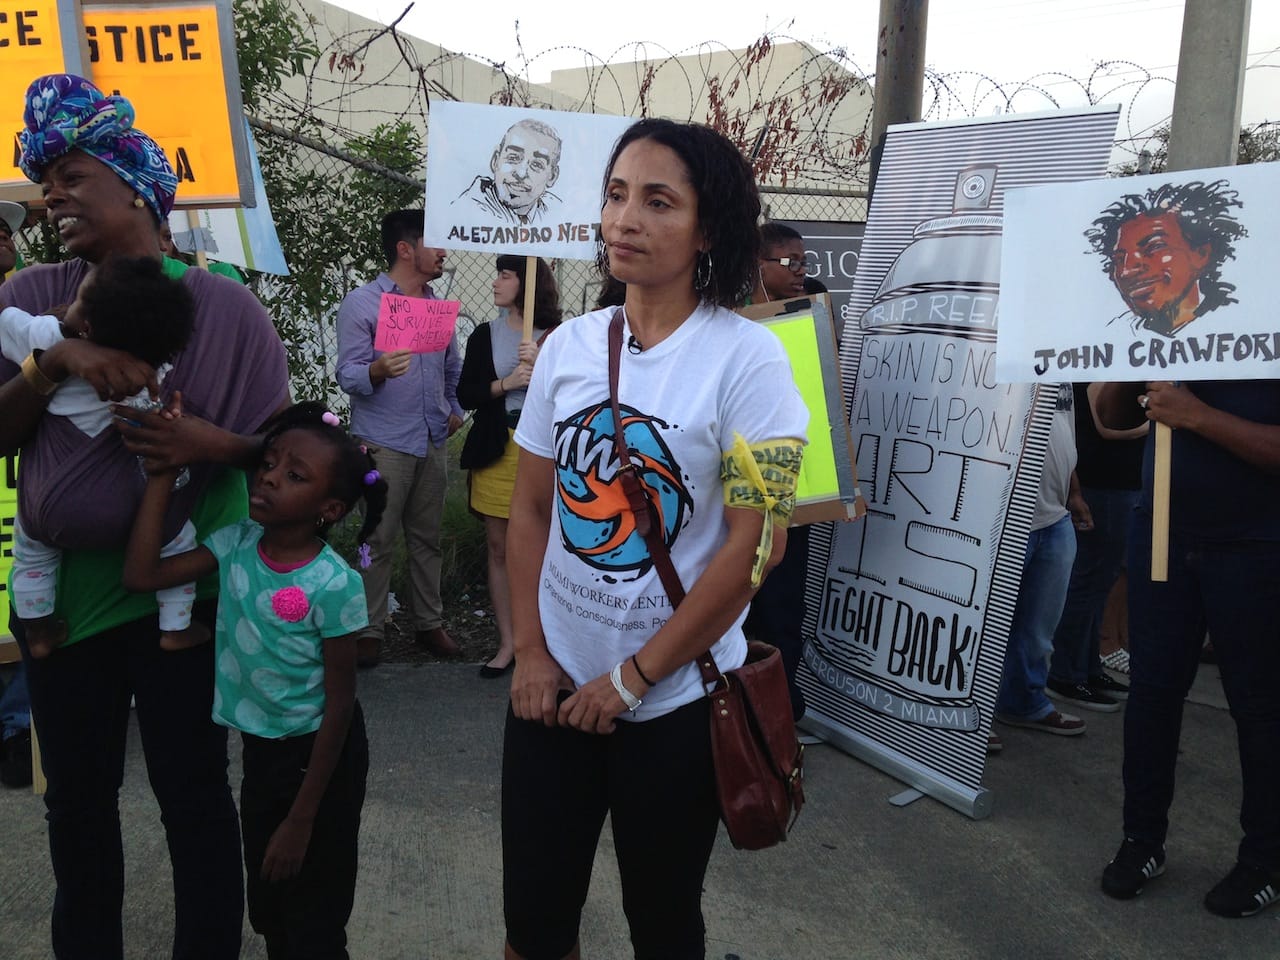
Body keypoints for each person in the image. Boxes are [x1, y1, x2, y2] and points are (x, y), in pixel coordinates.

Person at [503, 118, 808, 960]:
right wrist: (530, 651)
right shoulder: (568, 348)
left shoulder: (751, 361)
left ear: (708, 231)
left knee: (664, 925)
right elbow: (531, 511)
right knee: (533, 925)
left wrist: (634, 679)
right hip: (552, 691)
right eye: (616, 195)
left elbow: (758, 548)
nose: (625, 219)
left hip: (673, 703)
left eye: (658, 201)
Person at [0, 73, 289, 959]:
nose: (52, 197)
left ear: (134, 186)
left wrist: (205, 442)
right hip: (64, 611)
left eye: (71, 178)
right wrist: (55, 362)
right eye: (45, 183)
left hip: (179, 606)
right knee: (75, 805)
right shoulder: (32, 295)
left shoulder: (227, 312)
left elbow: (285, 459)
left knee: (192, 796)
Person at [124, 401, 384, 958]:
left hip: (321, 761)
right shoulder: (237, 544)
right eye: (269, 464)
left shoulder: (333, 584)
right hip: (263, 755)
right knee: (271, 908)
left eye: (295, 475)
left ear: (330, 508)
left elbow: (340, 705)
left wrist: (302, 819)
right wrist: (162, 476)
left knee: (315, 920)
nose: (268, 477)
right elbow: (142, 574)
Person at [1096, 377, 1280, 918]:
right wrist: (1137, 364)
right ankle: (1141, 840)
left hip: (1256, 545)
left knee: (1259, 708)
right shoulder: (1169, 338)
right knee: (1152, 695)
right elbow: (1111, 416)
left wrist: (1197, 415)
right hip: (1161, 535)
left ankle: (1265, 860)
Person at [1, 256, 206, 657]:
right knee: (178, 538)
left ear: (87, 327)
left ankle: (39, 631)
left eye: (78, 301)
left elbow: (6, 322)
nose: (68, 305)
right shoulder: (154, 361)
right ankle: (175, 628)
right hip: (131, 509)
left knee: (31, 550)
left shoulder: (50, 338)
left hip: (53, 503)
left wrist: (52, 322)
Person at [335, 209, 464, 666]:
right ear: (405, 249)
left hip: (431, 440)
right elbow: (347, 374)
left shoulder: (436, 306)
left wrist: (455, 409)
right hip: (383, 443)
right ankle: (368, 628)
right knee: (374, 540)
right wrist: (376, 370)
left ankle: (429, 624)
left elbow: (452, 368)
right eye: (435, 243)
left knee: (427, 538)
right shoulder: (362, 304)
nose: (444, 251)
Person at [458, 255, 560, 678]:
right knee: (499, 548)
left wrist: (543, 366)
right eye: (496, 274)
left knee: (546, 548)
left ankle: (546, 641)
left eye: (504, 275)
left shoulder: (560, 335)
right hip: (497, 450)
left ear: (528, 282)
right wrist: (507, 383)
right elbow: (466, 394)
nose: (495, 282)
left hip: (543, 454)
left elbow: (578, 395)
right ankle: (508, 643)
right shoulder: (485, 334)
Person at [743, 221, 817, 722]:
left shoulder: (811, 316)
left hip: (798, 492)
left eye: (804, 262)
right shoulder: (728, 322)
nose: (800, 272)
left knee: (785, 606)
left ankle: (782, 713)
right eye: (789, 262)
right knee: (736, 602)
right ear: (759, 265)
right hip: (738, 492)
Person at [993, 383, 1092, 741]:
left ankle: (1022, 702)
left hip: (1053, 514)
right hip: (998, 516)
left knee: (1038, 630)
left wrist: (1073, 491)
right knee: (986, 626)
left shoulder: (1058, 361)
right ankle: (964, 719)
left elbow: (1062, 424)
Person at [1045, 383, 1142, 712]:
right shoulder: (1098, 366)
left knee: (1102, 579)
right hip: (1104, 482)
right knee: (1089, 580)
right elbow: (1106, 425)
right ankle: (1065, 673)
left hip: (1119, 483)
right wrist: (1166, 421)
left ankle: (1087, 667)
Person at [1084, 180, 1246, 338]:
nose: (1126, 271)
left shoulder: (1237, 325)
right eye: (1118, 260)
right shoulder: (1112, 336)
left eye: (1154, 247)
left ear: (1201, 254)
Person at [455, 119, 563, 224]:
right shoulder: (464, 211)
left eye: (537, 164)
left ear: (552, 176)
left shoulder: (558, 212)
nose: (521, 173)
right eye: (513, 158)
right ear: (495, 161)